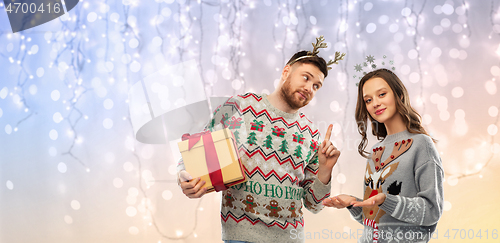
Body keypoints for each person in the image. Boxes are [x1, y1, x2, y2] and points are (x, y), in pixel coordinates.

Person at [177, 36, 343, 242]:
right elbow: (195, 152)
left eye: (317, 86)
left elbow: (314, 205)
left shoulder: (312, 134)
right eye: (306, 78)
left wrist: (325, 170)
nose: (310, 88)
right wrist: (185, 178)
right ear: (286, 72)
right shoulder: (239, 107)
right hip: (241, 235)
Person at [322, 68, 444, 243]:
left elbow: (432, 211)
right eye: (368, 100)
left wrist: (386, 200)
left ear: (399, 95)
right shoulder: (375, 152)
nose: (375, 103)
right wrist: (353, 203)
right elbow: (373, 221)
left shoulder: (421, 144)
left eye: (382, 94)